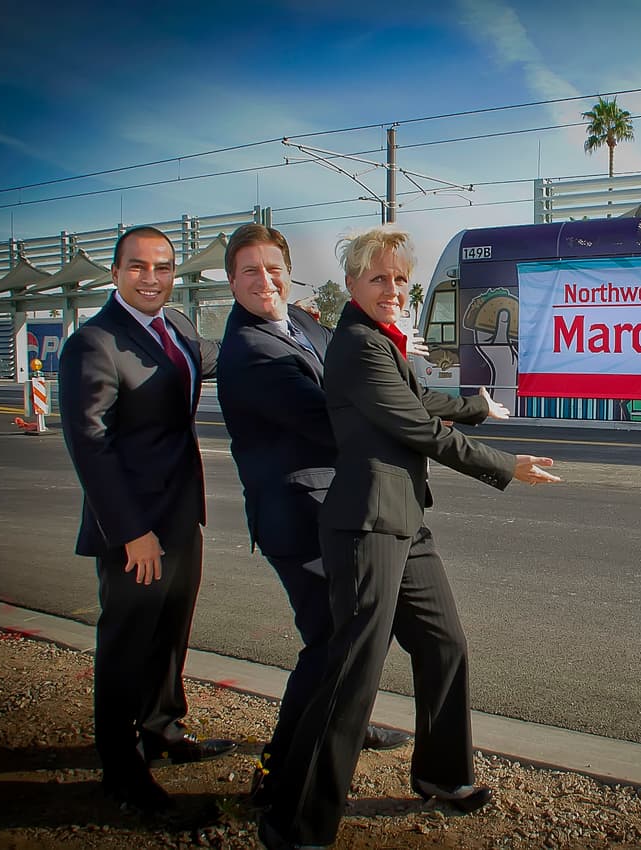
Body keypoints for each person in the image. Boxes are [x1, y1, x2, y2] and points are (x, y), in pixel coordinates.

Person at [257, 225, 560, 850]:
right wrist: (505, 464)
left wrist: (477, 404)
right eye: (379, 278)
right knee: (353, 674)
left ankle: (441, 776)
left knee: (444, 643)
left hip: (404, 519)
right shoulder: (358, 347)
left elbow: (419, 397)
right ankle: (295, 822)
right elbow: (418, 427)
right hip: (367, 525)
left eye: (400, 278)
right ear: (352, 285)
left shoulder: (380, 342)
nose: (393, 289)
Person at [214, 223, 413, 809]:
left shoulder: (302, 323)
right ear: (231, 282)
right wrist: (405, 420)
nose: (264, 279)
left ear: (288, 271)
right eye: (250, 270)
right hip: (298, 514)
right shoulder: (250, 352)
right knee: (330, 640)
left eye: (273, 267)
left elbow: (352, 365)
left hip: (338, 502)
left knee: (346, 634)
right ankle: (280, 773)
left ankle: (344, 724)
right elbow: (333, 423)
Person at [58, 226, 234, 816]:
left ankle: (162, 728)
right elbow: (90, 442)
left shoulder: (177, 329)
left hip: (183, 516)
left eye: (162, 267)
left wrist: (293, 320)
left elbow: (225, 351)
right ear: (115, 272)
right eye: (138, 267)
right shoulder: (95, 342)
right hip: (134, 530)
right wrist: (131, 532)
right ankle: (121, 767)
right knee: (126, 643)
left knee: (169, 636)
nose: (152, 277)